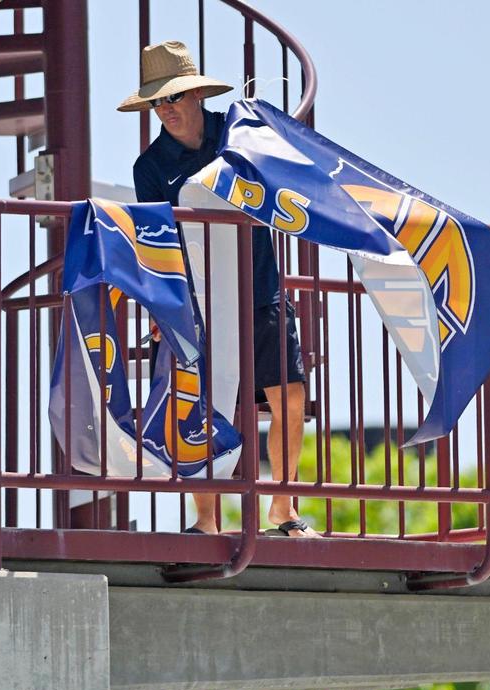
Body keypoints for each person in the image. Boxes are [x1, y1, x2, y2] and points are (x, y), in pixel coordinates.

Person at [118, 40, 317, 538]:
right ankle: (205, 521)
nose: (165, 109)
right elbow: (155, 242)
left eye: (173, 98)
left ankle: (284, 509)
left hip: (259, 287)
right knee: (202, 407)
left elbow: (291, 166)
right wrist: (162, 312)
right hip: (199, 304)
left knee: (289, 398)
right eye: (157, 102)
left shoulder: (238, 134)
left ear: (197, 96)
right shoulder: (149, 168)